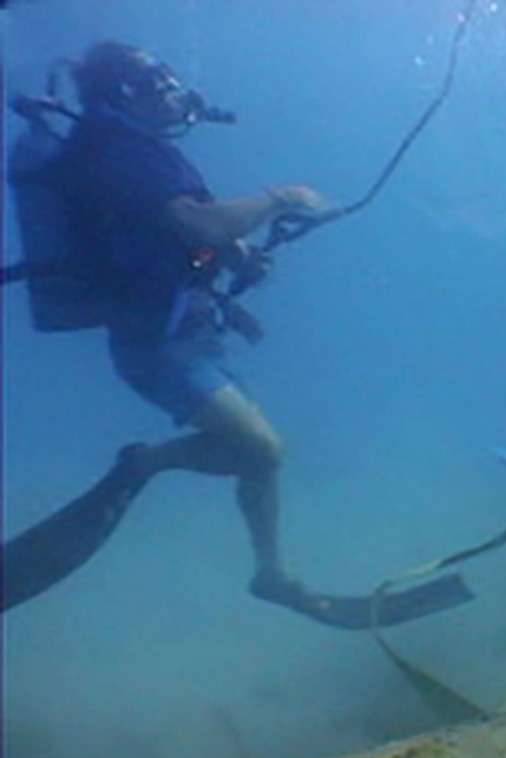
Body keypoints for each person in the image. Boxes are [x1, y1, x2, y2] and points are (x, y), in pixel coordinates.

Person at [57, 41, 326, 604]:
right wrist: (281, 198)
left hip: (191, 330)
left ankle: (270, 572)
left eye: (169, 80)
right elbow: (201, 225)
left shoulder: (134, 151)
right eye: (155, 85)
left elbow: (174, 238)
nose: (175, 94)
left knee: (255, 457)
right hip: (157, 344)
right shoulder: (122, 152)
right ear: (123, 96)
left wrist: (232, 275)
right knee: (261, 450)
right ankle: (146, 462)